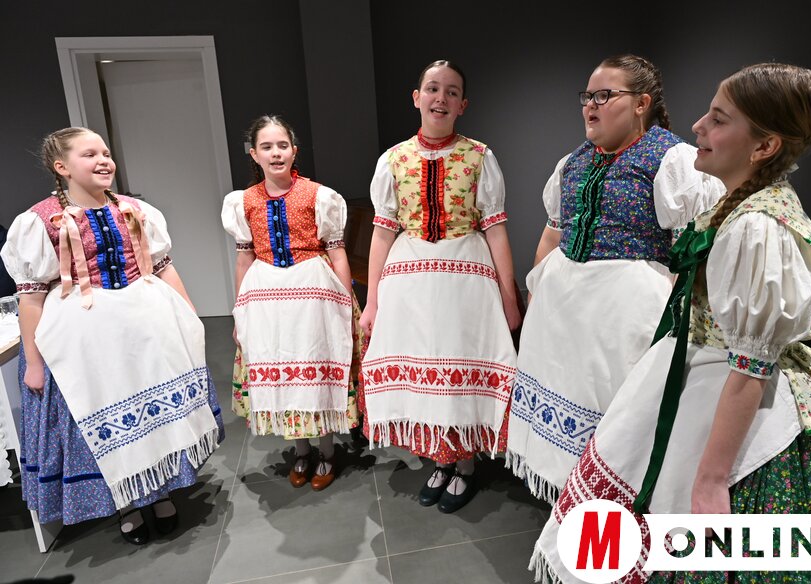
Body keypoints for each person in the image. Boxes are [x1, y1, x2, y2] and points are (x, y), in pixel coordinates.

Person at [531, 63, 811, 583]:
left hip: (730, 388)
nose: (697, 125)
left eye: (718, 119)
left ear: (764, 147)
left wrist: (712, 479)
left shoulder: (757, 228)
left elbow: (751, 365)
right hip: (699, 366)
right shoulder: (738, 205)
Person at [506, 54, 723, 504]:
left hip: (626, 312)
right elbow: (553, 232)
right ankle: (568, 497)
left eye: (605, 95)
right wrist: (535, 291)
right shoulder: (573, 162)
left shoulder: (673, 160)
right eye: (587, 96)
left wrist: (682, 323)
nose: (591, 105)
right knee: (563, 393)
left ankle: (611, 503)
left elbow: (693, 250)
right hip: (562, 311)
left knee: (618, 414)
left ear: (641, 103)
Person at [1, 127, 224, 545]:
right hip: (86, 338)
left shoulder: (136, 210)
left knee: (156, 414)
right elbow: (30, 297)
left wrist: (190, 318)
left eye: (105, 152)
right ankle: (128, 503)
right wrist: (33, 362)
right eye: (89, 154)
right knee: (104, 415)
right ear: (62, 167)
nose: (103, 160)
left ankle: (161, 491)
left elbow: (164, 268)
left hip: (146, 328)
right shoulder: (39, 221)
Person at [359, 60, 520, 513]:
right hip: (409, 281)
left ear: (462, 104)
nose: (441, 98)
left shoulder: (480, 156)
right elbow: (382, 232)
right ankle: (440, 459)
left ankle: (464, 463)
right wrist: (372, 301)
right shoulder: (394, 159)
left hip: (465, 279)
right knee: (423, 364)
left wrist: (509, 298)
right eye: (432, 88)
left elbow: (496, 229)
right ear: (417, 98)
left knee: (459, 363)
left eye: (451, 92)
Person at [222, 115, 360, 492]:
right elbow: (244, 258)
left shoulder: (319, 196)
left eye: (282, 145)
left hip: (312, 291)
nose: (276, 153)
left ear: (294, 151)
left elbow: (337, 251)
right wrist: (239, 311)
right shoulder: (244, 201)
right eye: (266, 147)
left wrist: (345, 301)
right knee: (281, 369)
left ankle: (327, 451)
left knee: (314, 367)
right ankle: (301, 450)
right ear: (254, 154)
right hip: (266, 297)